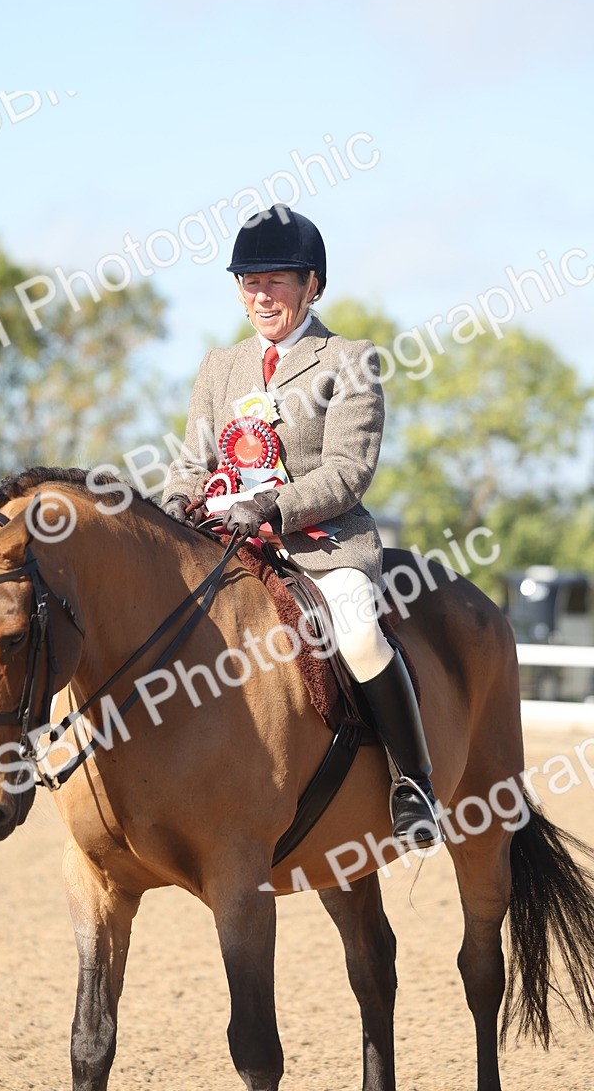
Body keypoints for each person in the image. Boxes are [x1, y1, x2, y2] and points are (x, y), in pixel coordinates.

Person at [162, 204, 442, 848]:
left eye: (276, 281)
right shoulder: (218, 366)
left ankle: (414, 782)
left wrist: (273, 507)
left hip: (320, 544)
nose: (260, 295)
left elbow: (348, 471)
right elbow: (189, 463)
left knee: (362, 636)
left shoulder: (348, 360)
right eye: (249, 282)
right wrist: (175, 503)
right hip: (225, 541)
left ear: (312, 284)